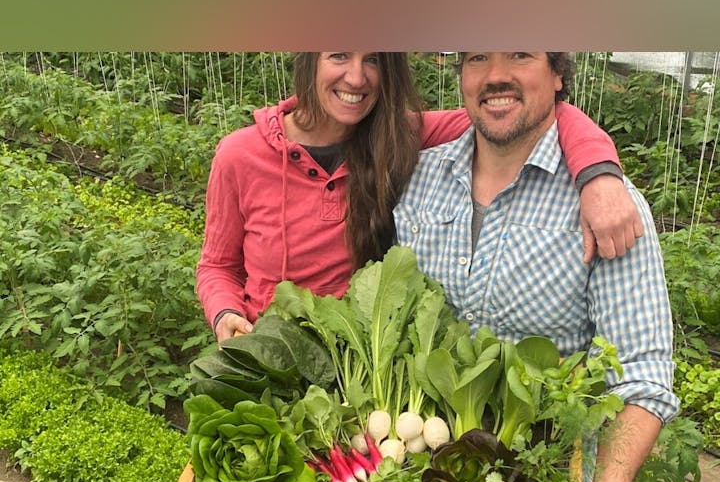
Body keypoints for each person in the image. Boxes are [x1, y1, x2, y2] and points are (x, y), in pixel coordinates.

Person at [393, 51, 679, 482]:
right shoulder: (414, 179)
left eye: (521, 54)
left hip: (545, 474)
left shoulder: (606, 209)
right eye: (477, 58)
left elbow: (643, 375)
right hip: (412, 467)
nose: (496, 77)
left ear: (558, 74)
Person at [197, 52, 640, 342]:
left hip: (362, 364)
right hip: (268, 350)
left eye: (372, 59)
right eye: (338, 55)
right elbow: (217, 266)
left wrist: (599, 173)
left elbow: (528, 111)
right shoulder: (241, 154)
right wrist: (224, 314)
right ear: (309, 62)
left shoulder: (400, 136)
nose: (356, 76)